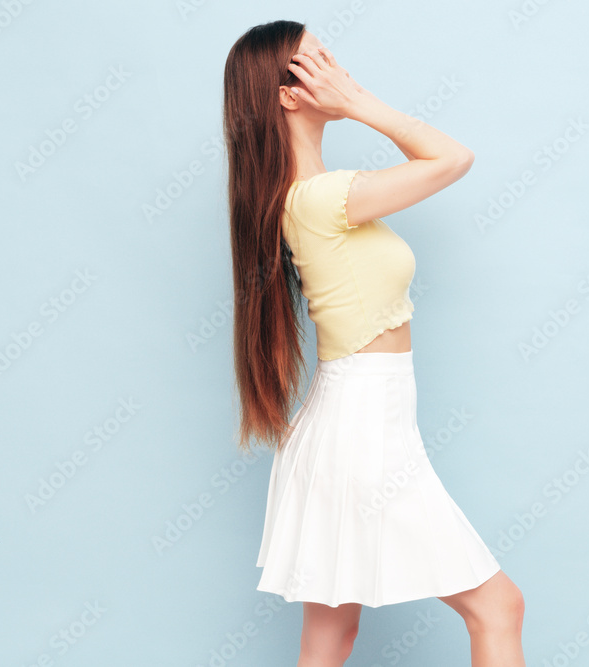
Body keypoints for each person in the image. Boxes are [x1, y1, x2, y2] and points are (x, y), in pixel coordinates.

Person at [222, 21, 526, 667]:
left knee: (331, 638)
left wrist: (345, 97)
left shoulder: (303, 197)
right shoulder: (321, 199)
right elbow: (452, 158)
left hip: (348, 424)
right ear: (288, 93)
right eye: (317, 60)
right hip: (362, 430)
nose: (336, 67)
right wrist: (359, 101)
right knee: (499, 607)